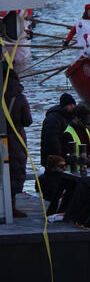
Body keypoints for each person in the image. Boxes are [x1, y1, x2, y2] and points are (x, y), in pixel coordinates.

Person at [2, 70, 31, 216]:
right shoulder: (20, 98)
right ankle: (11, 206)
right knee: (16, 170)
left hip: (2, 137)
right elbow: (28, 121)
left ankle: (5, 205)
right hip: (15, 138)